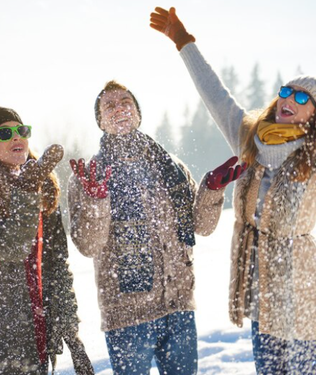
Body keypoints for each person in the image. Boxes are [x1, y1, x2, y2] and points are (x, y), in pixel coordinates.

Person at [150, 7, 316, 374]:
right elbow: (215, 94)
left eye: (302, 99)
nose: (289, 100)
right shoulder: (249, 136)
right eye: (287, 91)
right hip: (261, 299)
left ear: (313, 117)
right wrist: (183, 41)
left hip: (304, 300)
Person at [68, 80, 245, 375]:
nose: (119, 109)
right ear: (100, 121)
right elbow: (89, 245)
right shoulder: (90, 175)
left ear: (137, 113)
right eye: (109, 106)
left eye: (126, 102)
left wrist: (212, 190)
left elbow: (201, 227)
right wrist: (97, 199)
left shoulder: (170, 165)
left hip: (179, 309)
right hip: (127, 319)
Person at [0, 94, 94, 375]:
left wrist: (70, 331)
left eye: (22, 130)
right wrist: (27, 192)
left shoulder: (41, 187)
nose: (17, 137)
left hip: (33, 339)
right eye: (5, 132)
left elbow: (56, 265)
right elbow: (9, 247)